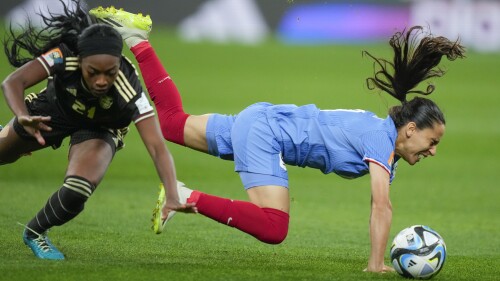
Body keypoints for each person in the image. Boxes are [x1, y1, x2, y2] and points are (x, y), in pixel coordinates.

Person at [90, 7, 465, 272]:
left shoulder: (382, 138)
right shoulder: (380, 140)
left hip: (265, 119)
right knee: (274, 226)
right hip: (267, 133)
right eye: (432, 142)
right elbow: (381, 207)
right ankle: (185, 197)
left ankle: (136, 39)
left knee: (172, 124)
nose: (432, 151)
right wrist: (376, 264)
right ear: (410, 130)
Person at [0, 0, 195, 260]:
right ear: (80, 61)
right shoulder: (64, 54)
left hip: (101, 126)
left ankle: (35, 232)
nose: (102, 81)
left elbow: (157, 147)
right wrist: (22, 116)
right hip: (54, 111)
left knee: (77, 191)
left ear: (118, 66)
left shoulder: (129, 86)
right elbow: (14, 81)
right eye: (93, 72)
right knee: (4, 153)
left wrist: (172, 194)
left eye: (110, 73)